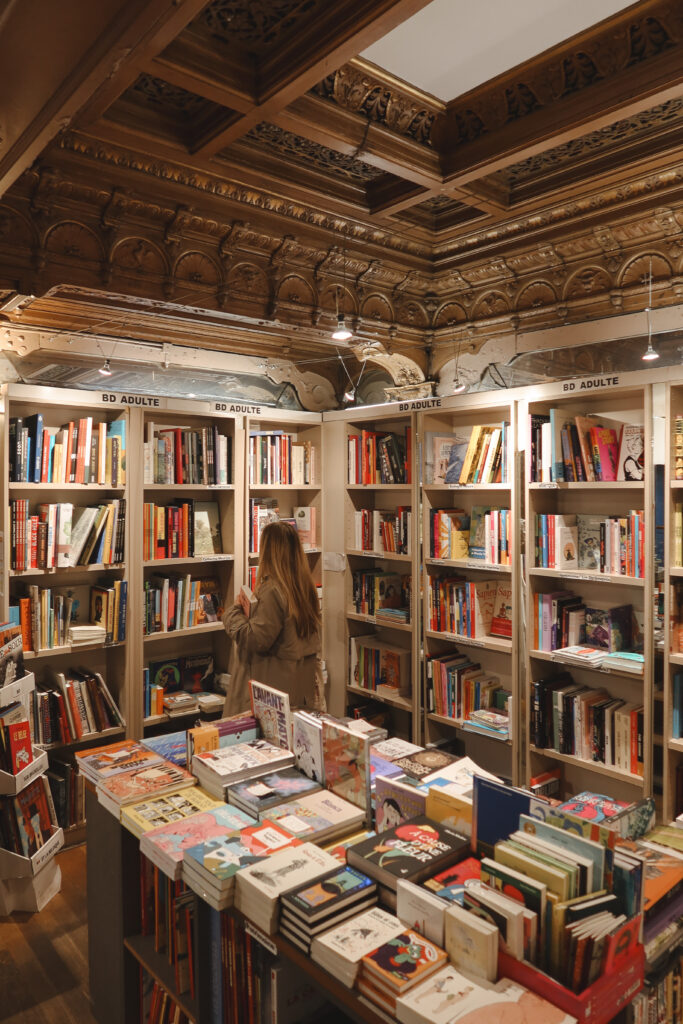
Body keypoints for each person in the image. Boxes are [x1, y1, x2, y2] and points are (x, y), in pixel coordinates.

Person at [222, 520, 322, 716]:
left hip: (271, 690)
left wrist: (233, 612)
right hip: (297, 687)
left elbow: (255, 639)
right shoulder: (305, 587)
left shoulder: (273, 590)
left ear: (268, 551)